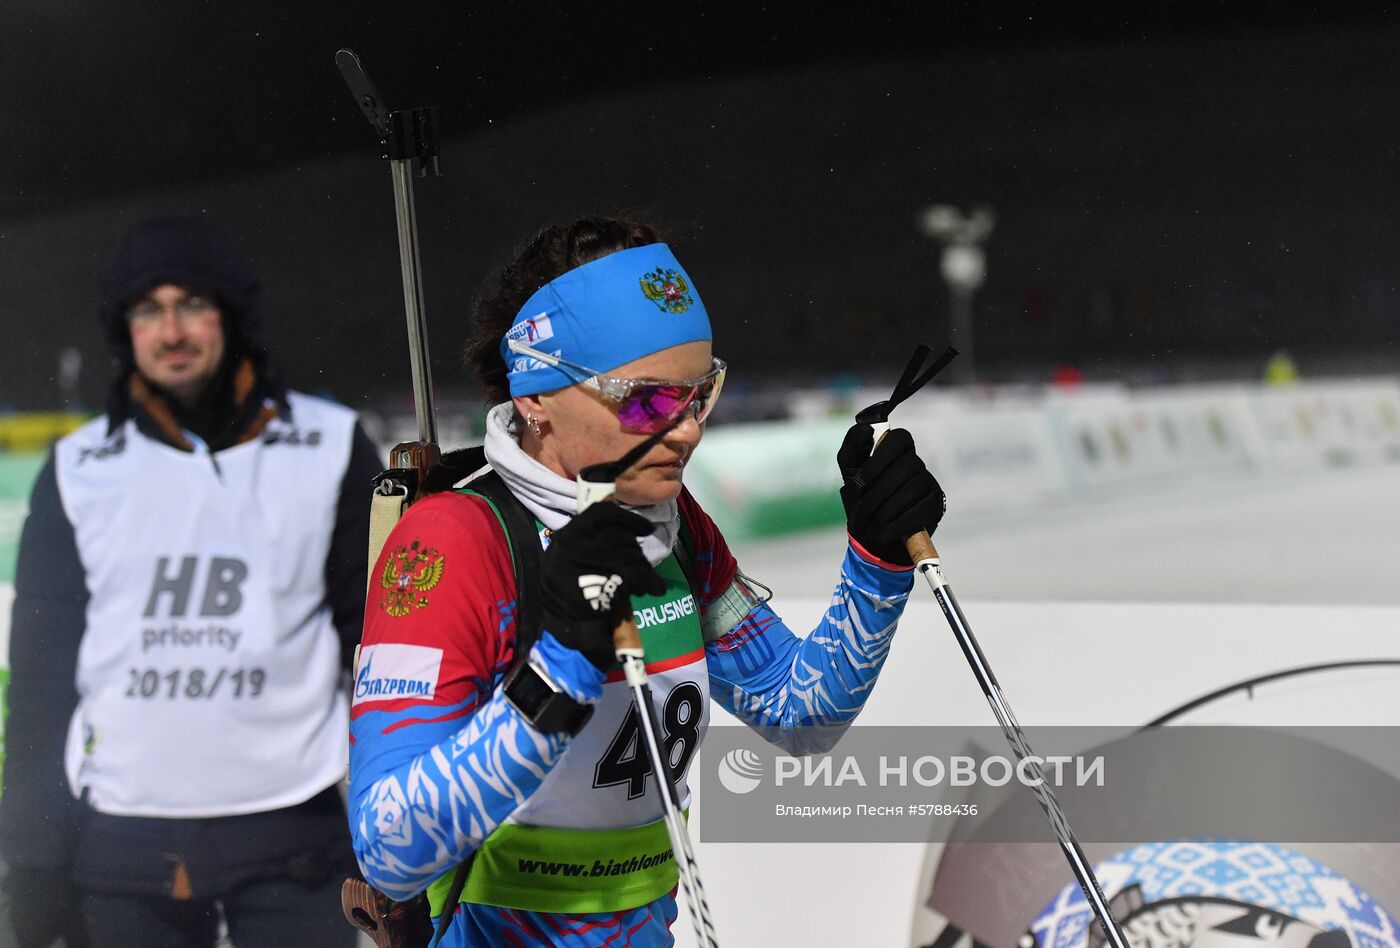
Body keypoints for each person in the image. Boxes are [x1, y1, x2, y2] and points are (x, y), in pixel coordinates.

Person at [348, 216, 946, 946]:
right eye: (643, 401)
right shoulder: (456, 542)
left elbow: (800, 712)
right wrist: (561, 666)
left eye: (699, 395)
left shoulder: (672, 523)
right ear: (536, 395)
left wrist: (877, 562)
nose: (686, 430)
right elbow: (387, 849)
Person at [0, 215, 382, 947]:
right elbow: (43, 681)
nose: (171, 331)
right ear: (125, 329)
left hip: (294, 831)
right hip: (119, 843)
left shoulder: (329, 445)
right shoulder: (79, 468)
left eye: (191, 304)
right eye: (148, 309)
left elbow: (375, 647)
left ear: (230, 315)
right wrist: (35, 854)